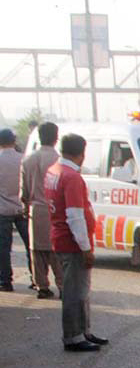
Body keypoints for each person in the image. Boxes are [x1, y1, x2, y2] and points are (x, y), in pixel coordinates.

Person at [46, 133, 108, 352]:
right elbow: (75, 216)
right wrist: (86, 248)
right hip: (71, 242)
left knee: (81, 289)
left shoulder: (54, 171)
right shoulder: (71, 177)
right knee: (75, 291)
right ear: (82, 153)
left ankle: (83, 331)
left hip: (62, 237)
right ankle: (73, 336)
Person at [21, 122, 63, 299]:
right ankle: (63, 285)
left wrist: (25, 206)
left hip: (36, 209)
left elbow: (23, 191)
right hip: (57, 210)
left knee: (37, 251)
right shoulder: (60, 160)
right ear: (56, 138)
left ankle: (42, 286)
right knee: (57, 250)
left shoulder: (29, 160)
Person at [0, 128, 33, 292]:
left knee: (3, 249)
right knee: (30, 246)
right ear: (14, 141)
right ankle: (36, 279)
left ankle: (5, 281)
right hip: (22, 208)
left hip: (2, 210)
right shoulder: (24, 159)